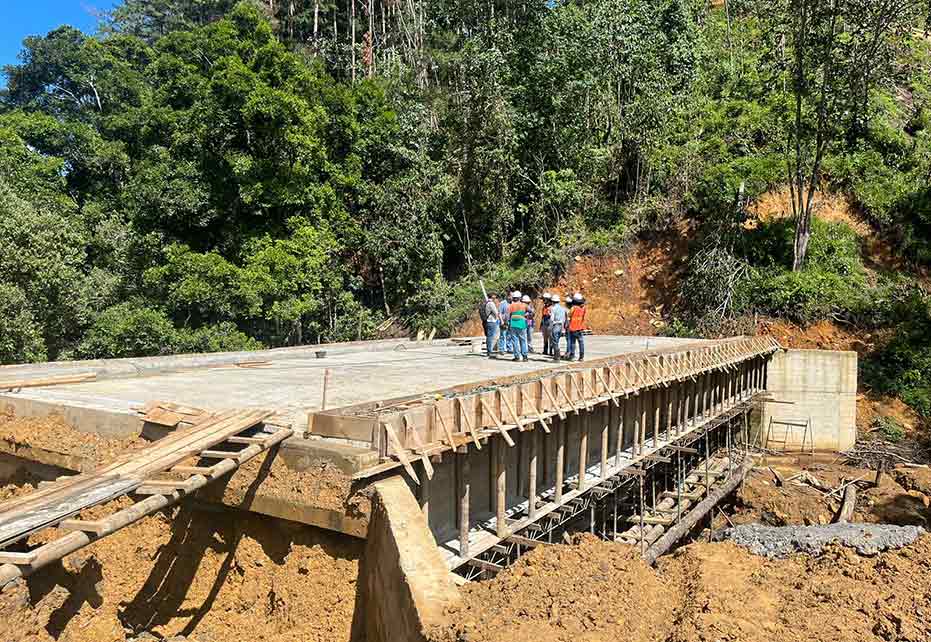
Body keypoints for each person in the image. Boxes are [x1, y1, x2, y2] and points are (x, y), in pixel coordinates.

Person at [507, 291, 529, 362]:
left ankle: (517, 357)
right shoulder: (524, 305)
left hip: (513, 324)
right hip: (522, 324)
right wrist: (526, 315)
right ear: (520, 298)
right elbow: (532, 312)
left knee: (515, 341)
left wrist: (506, 323)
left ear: (513, 298)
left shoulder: (511, 306)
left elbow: (508, 316)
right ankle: (525, 356)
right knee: (523, 340)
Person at [567, 292, 587, 361]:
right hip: (580, 327)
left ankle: (572, 356)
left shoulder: (573, 308)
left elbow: (568, 315)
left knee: (573, 342)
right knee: (581, 342)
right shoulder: (583, 308)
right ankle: (581, 357)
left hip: (573, 327)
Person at [548, 294, 567, 362]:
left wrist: (550, 327)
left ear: (552, 301)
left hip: (555, 325)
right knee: (557, 341)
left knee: (554, 342)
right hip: (561, 325)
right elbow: (564, 319)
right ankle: (557, 356)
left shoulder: (553, 308)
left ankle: (557, 357)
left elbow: (552, 319)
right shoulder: (563, 308)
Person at [482, 294, 500, 358]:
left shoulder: (487, 303)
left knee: (489, 336)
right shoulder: (491, 303)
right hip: (492, 321)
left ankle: (489, 350)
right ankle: (489, 351)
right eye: (495, 297)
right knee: (490, 337)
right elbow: (496, 312)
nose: (495, 299)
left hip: (489, 321)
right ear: (492, 297)